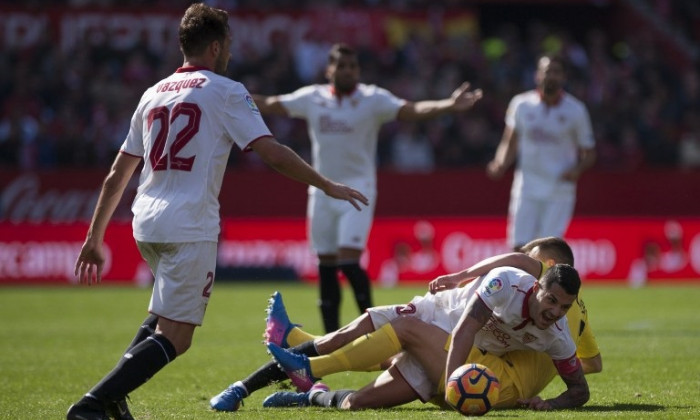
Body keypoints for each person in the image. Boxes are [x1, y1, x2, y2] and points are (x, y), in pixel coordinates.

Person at [65, 5, 368, 420]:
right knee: (178, 336)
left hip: (146, 221)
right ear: (214, 45)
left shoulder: (153, 92)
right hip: (189, 224)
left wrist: (93, 239)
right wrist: (326, 184)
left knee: (159, 317)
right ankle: (92, 405)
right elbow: (272, 153)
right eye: (228, 44)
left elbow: (118, 172)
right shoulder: (225, 90)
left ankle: (113, 400)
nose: (230, 51)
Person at [211, 238, 598, 412]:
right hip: (437, 316)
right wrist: (453, 383)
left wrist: (550, 403)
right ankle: (282, 372)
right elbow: (465, 327)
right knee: (347, 338)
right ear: (538, 286)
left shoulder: (557, 331)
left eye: (562, 307)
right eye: (551, 301)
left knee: (357, 404)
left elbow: (581, 385)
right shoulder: (510, 283)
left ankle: (309, 392)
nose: (554, 311)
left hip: (462, 356)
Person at [252, 43, 483, 333]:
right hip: (321, 190)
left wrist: (449, 105)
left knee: (348, 259)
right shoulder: (312, 98)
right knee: (326, 265)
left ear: (358, 71)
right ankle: (330, 337)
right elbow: (271, 103)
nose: (347, 71)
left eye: (352, 67)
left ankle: (373, 330)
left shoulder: (372, 99)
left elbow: (411, 110)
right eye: (341, 66)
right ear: (329, 70)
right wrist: (233, 95)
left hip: (358, 189)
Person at [486, 54, 596, 251]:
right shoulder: (521, 104)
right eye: (547, 71)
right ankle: (519, 283)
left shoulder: (576, 110)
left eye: (556, 72)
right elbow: (509, 141)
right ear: (537, 75)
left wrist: (576, 170)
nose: (551, 76)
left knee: (547, 250)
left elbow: (589, 153)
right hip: (527, 186)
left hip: (558, 189)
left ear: (563, 77)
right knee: (519, 247)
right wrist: (500, 162)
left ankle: (543, 284)